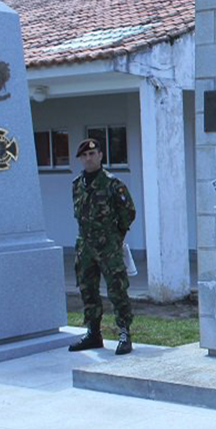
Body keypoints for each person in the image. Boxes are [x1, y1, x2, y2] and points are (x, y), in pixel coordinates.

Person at [67, 138, 136, 355]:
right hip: (85, 246)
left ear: (100, 156)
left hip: (108, 247)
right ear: (80, 159)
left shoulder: (113, 184)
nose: (88, 158)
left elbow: (128, 212)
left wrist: (116, 236)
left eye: (92, 154)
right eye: (84, 155)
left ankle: (124, 333)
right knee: (88, 290)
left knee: (117, 290)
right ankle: (93, 333)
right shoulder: (77, 185)